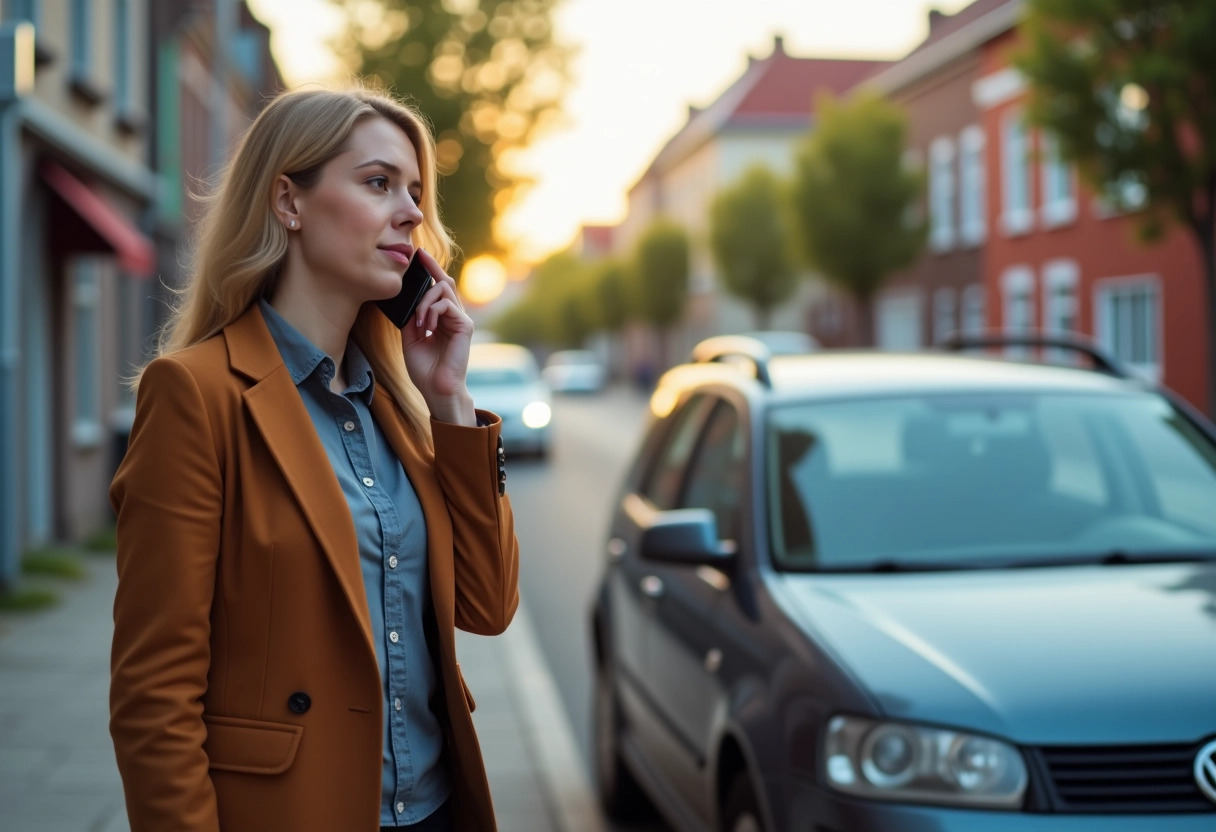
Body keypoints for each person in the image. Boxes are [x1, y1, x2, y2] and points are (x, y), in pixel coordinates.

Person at [108, 86, 520, 832]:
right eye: (378, 183)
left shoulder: (396, 408)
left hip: (432, 813)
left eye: (416, 191)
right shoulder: (197, 396)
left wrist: (451, 402)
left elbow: (487, 608)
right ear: (288, 202)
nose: (413, 214)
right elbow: (153, 700)